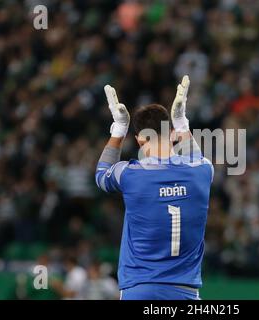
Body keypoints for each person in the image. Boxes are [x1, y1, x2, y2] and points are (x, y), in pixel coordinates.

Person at [95, 75, 213, 300]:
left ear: (139, 140)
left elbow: (101, 176)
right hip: (185, 291)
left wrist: (119, 130)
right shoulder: (203, 171)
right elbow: (195, 157)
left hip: (139, 289)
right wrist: (181, 121)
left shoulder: (130, 174)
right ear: (173, 135)